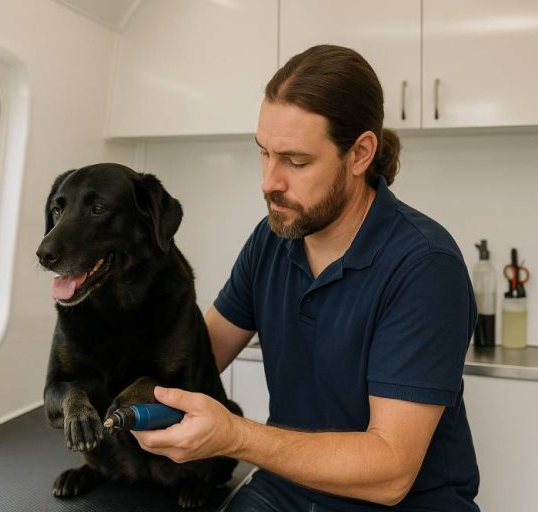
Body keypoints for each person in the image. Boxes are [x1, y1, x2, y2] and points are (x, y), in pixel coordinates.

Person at [132, 45, 480, 511]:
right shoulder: (272, 238)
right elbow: (196, 357)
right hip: (285, 491)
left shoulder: (424, 265)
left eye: (295, 161)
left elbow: (391, 472)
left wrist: (235, 435)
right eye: (264, 153)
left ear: (360, 153)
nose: (269, 182)